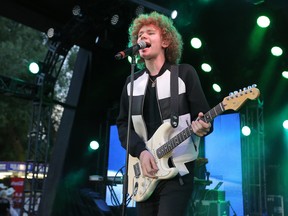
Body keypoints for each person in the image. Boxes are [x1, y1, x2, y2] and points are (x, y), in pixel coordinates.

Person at [116, 11, 213, 216]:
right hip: (145, 172)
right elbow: (123, 125)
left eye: (150, 33)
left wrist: (204, 126)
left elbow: (203, 117)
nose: (142, 37)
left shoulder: (184, 74)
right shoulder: (132, 83)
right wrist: (141, 151)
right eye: (140, 34)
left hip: (177, 169)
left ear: (166, 41)